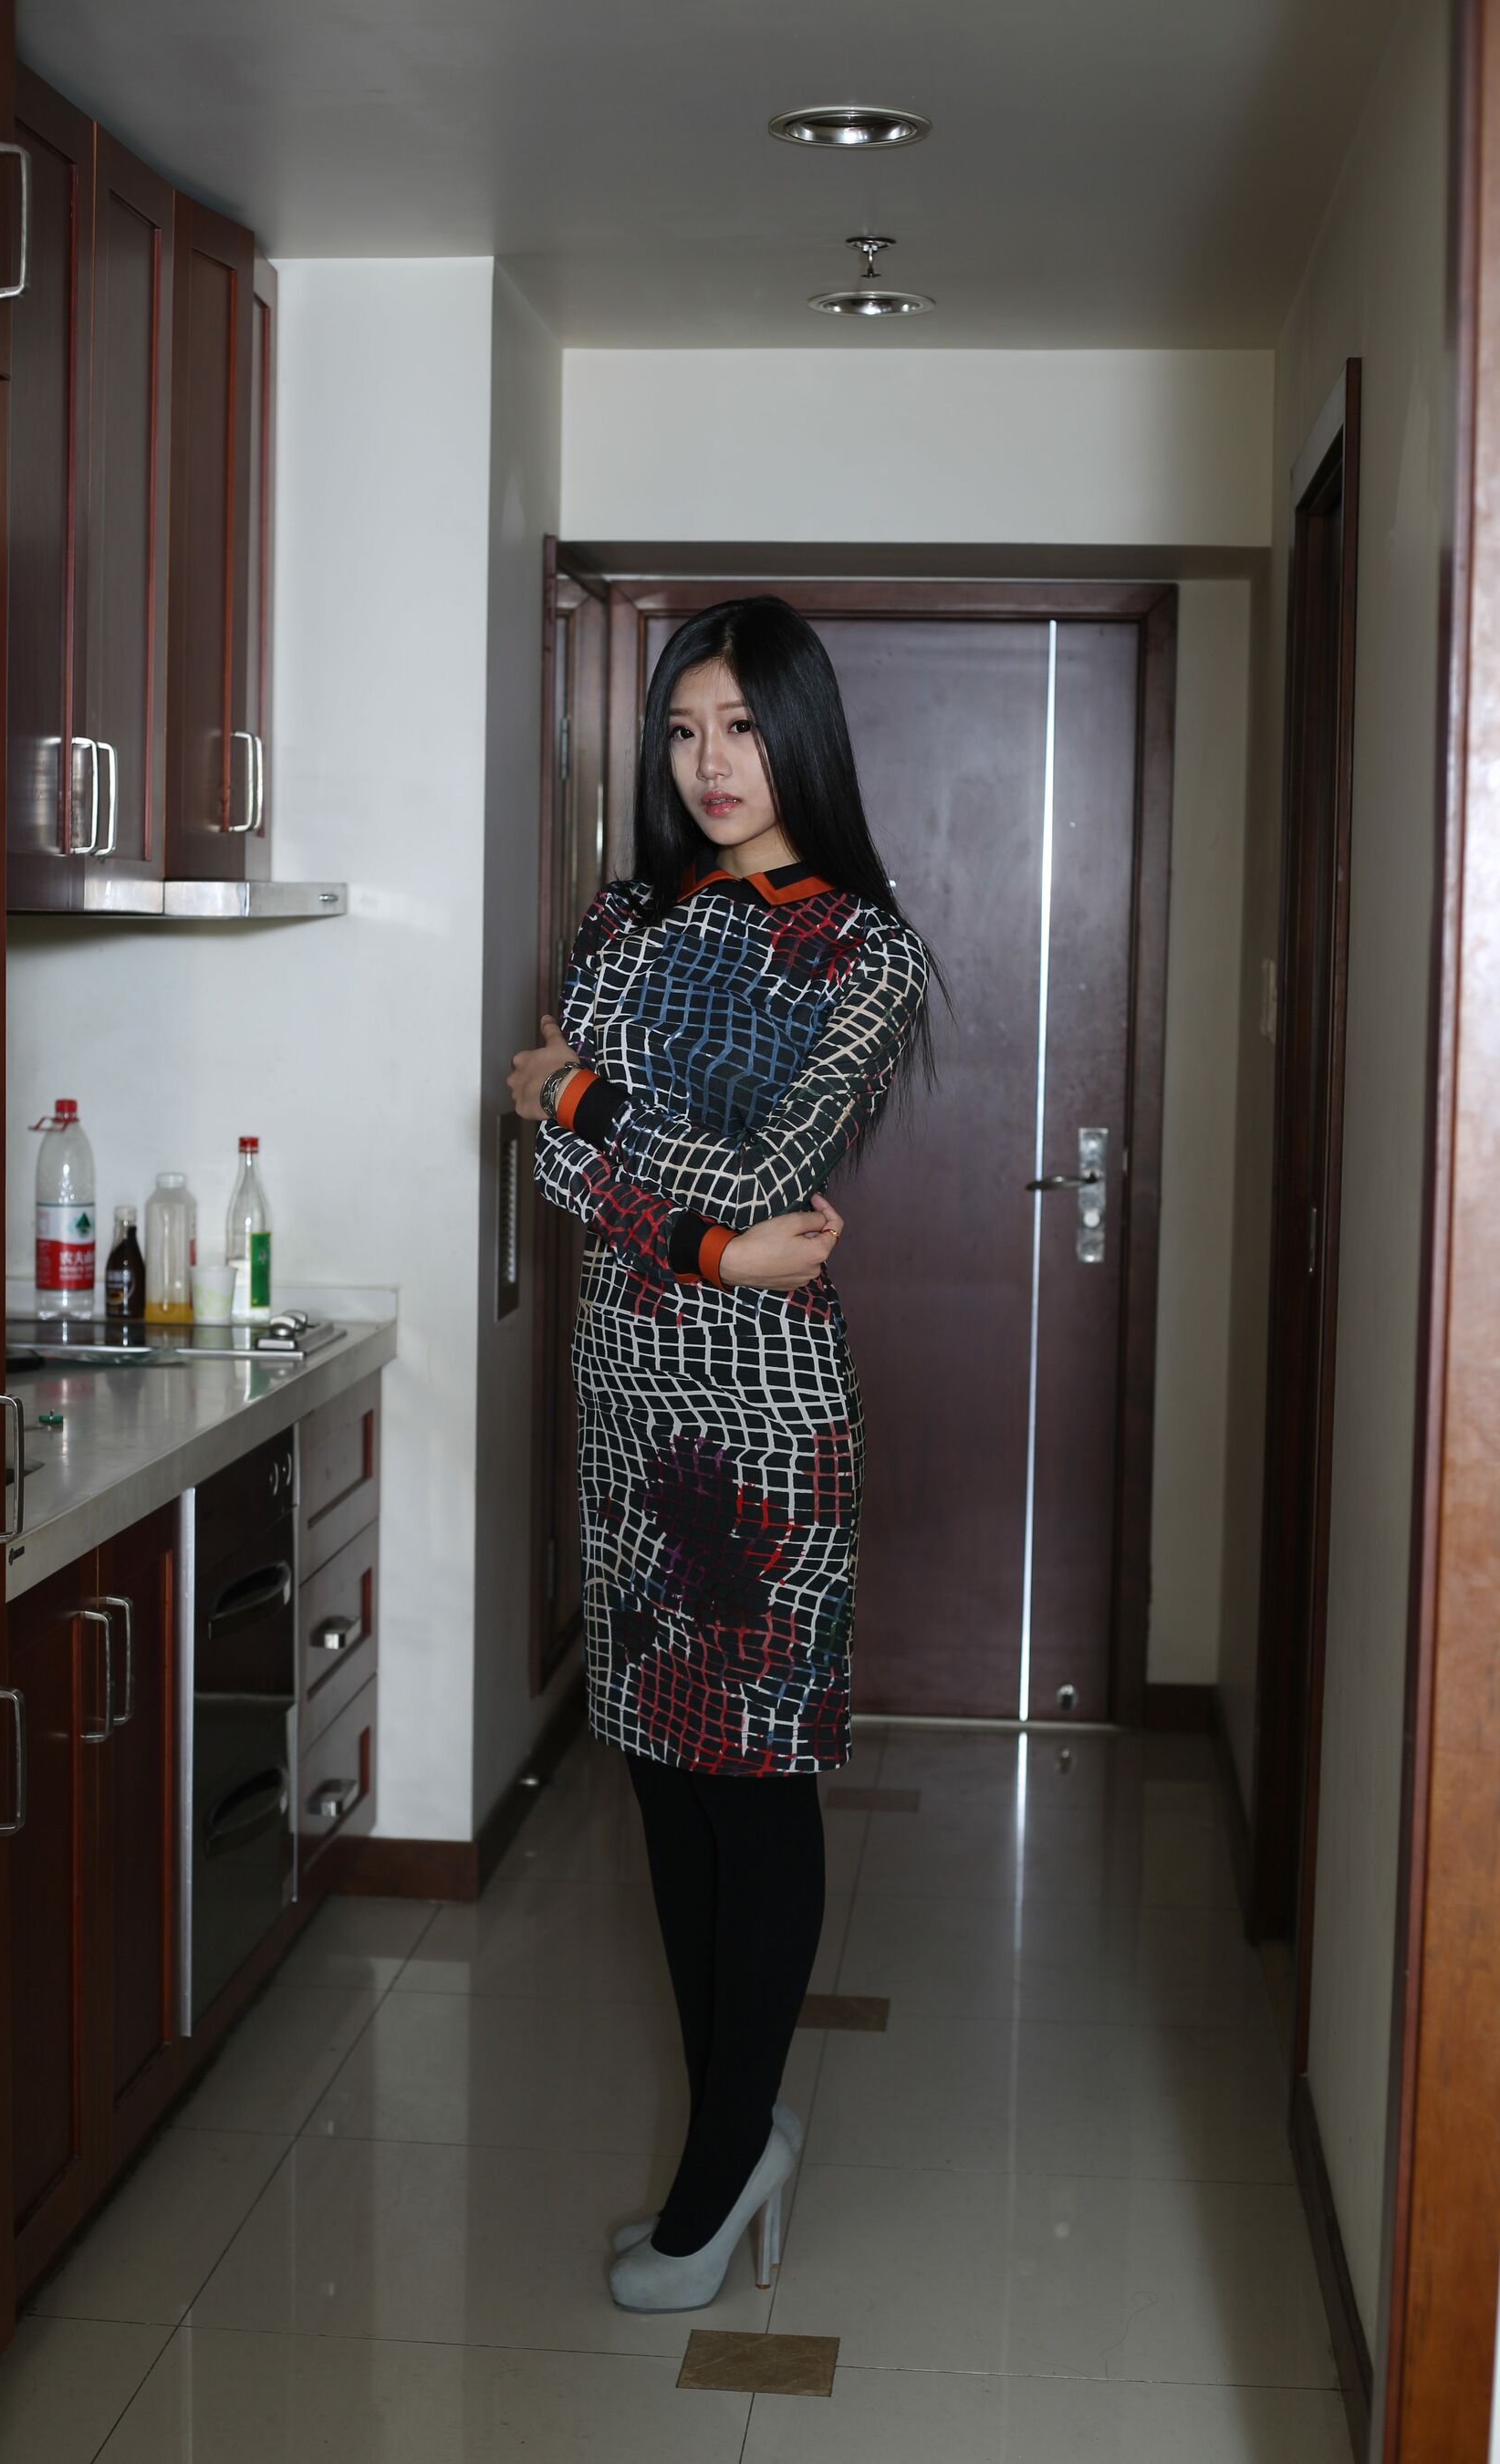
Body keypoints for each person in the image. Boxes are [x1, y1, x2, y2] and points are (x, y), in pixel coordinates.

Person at [507, 593, 946, 2313]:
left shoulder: (862, 951)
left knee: (753, 1788)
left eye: (744, 728)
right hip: (627, 1404)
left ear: (801, 738)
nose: (710, 764)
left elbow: (769, 1173)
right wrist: (697, 1239)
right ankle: (736, 2135)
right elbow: (569, 1172)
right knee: (663, 1781)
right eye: (685, 730)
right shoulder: (627, 917)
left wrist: (584, 1100)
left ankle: (715, 2173)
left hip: (765, 1425)